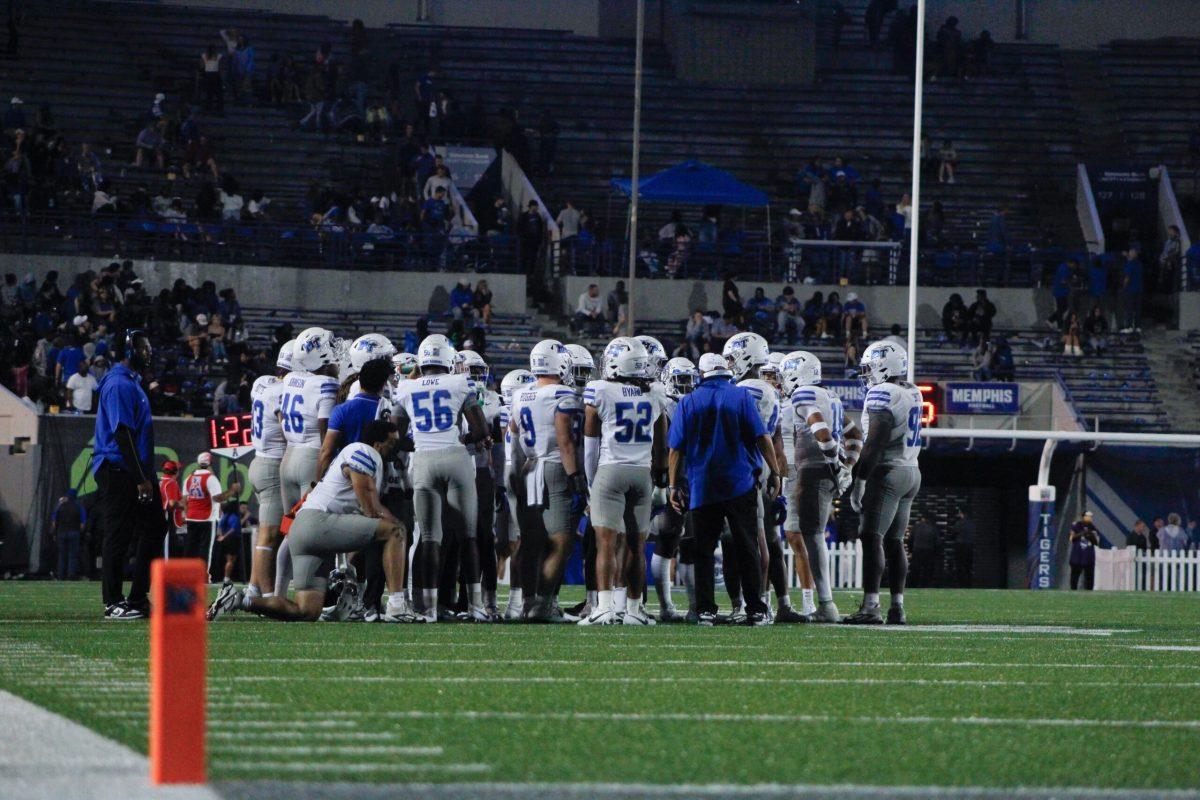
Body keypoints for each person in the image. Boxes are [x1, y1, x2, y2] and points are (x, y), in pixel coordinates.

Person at [208, 421, 408, 622]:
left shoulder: (358, 454)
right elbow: (371, 510)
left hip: (303, 529)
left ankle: (240, 600)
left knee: (306, 610)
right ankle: (396, 606)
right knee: (394, 533)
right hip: (318, 522)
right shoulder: (364, 451)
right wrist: (396, 526)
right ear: (377, 443)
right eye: (392, 443)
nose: (395, 448)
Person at [667, 352, 783, 626]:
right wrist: (775, 471)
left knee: (704, 550)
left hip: (702, 484)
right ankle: (755, 608)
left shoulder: (689, 401)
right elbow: (762, 437)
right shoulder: (741, 396)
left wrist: (673, 484)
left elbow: (676, 449)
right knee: (747, 546)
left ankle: (705, 609)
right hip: (739, 482)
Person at [392, 334, 491, 622]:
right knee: (468, 535)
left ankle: (430, 609)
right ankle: (476, 607)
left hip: (423, 460)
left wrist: (423, 439)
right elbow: (481, 430)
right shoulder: (461, 382)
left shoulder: (406, 388)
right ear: (449, 358)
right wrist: (463, 438)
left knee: (430, 538)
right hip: (455, 457)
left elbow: (396, 436)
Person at [578, 338, 668, 626]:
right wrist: (661, 479)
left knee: (606, 544)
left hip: (611, 469)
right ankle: (633, 609)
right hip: (642, 473)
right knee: (636, 546)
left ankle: (605, 608)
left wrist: (591, 486)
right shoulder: (655, 393)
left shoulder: (601, 391)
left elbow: (590, 447)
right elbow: (662, 446)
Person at [844, 340, 923, 625]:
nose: (865, 375)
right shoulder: (912, 391)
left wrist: (860, 479)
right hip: (911, 470)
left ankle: (870, 606)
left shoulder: (883, 393)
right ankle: (897, 606)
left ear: (882, 366)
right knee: (894, 541)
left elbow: (875, 443)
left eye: (869, 368)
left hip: (888, 471)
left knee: (871, 536)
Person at [779, 350, 858, 623]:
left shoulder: (804, 395)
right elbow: (855, 434)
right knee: (812, 537)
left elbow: (819, 427)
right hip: (823, 472)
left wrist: (834, 461)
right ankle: (824, 604)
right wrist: (847, 465)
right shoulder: (831, 396)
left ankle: (826, 604)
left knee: (812, 538)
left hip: (813, 472)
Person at [508, 340, 583, 622]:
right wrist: (575, 475)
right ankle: (542, 603)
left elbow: (512, 434)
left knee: (531, 542)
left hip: (528, 466)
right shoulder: (564, 394)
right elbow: (565, 441)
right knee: (561, 541)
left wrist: (515, 470)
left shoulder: (520, 394)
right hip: (554, 466)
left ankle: (529, 602)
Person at [92, 330, 164, 619]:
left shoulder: (132, 382)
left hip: (135, 468)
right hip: (119, 469)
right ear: (128, 350)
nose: (148, 351)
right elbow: (122, 434)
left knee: (156, 526)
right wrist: (140, 478)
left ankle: (136, 598)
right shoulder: (120, 384)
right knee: (118, 534)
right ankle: (112, 601)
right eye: (143, 346)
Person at [245, 340, 291, 598]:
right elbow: (287, 428)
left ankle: (253, 587)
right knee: (270, 534)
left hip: (258, 460)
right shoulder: (283, 391)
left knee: (268, 531)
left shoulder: (263, 383)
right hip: (272, 465)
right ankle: (265, 596)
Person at [183, 451, 240, 579]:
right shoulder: (210, 478)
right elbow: (218, 498)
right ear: (210, 464)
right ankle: (203, 576)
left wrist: (187, 512)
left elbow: (184, 499)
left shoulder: (189, 478)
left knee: (190, 548)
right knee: (206, 549)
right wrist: (232, 490)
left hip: (191, 517)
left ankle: (185, 573)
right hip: (207, 518)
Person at [50, 489, 86, 580]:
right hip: (74, 532)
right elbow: (82, 524)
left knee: (62, 556)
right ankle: (71, 575)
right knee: (72, 556)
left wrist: (54, 532)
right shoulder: (79, 507)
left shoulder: (60, 506)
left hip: (61, 532)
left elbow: (54, 522)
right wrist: (79, 532)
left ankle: (60, 576)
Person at [159, 460, 185, 557]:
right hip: (167, 518)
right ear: (175, 471)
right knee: (167, 550)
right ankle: (166, 571)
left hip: (160, 517)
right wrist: (183, 506)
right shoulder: (171, 483)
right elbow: (172, 503)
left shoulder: (162, 481)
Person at [1069, 511, 1100, 590]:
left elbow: (1096, 542)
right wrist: (1082, 533)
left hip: (1088, 556)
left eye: (1090, 516)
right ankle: (1073, 590)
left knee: (1089, 576)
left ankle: (1089, 591)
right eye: (1088, 516)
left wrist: (1090, 535)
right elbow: (1071, 538)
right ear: (1083, 516)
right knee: (1075, 576)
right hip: (1078, 555)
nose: (1090, 518)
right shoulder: (1076, 525)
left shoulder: (1092, 527)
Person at [215, 502, 242, 583]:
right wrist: (224, 536)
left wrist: (221, 536)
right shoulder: (234, 517)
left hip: (226, 540)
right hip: (232, 540)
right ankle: (226, 577)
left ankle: (227, 577)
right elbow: (233, 529)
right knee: (231, 560)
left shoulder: (224, 516)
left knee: (229, 560)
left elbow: (219, 528)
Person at [909, 513, 938, 587]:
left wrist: (910, 551)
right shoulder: (933, 527)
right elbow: (937, 541)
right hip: (929, 550)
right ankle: (925, 585)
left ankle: (913, 585)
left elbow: (910, 539)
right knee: (927, 570)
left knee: (915, 569)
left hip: (917, 550)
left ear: (923, 518)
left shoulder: (916, 526)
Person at [1119, 248, 1143, 334]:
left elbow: (1127, 278)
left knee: (1129, 309)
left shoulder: (1130, 264)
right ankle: (1138, 327)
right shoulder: (1139, 264)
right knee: (1137, 310)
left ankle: (1129, 326)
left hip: (1130, 290)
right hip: (1139, 290)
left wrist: (1123, 287)